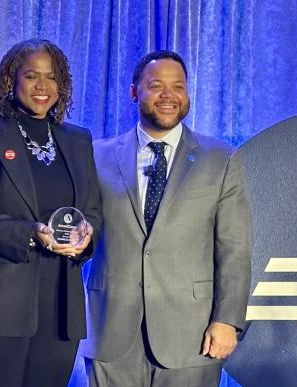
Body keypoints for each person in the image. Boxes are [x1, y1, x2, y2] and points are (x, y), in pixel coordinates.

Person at [80, 50, 252, 386]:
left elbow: (235, 248)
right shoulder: (96, 155)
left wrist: (228, 320)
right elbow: (84, 231)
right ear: (134, 91)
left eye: (178, 86)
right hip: (111, 331)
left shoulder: (220, 159)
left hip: (192, 336)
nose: (168, 95)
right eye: (156, 85)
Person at [0, 38, 101, 387]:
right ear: (10, 80)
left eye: (52, 77)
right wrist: (28, 232)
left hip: (61, 306)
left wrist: (85, 236)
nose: (42, 86)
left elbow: (92, 210)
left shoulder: (78, 140)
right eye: (32, 76)